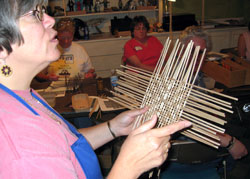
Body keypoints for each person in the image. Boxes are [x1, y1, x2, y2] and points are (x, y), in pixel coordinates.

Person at [0, 0, 192, 178]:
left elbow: (65, 147)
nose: (50, 20)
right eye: (35, 14)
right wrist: (130, 165)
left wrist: (114, 128)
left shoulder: (23, 96)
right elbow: (38, 153)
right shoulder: (19, 146)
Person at [160, 26, 248, 179]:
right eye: (191, 51)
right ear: (180, 52)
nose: (197, 57)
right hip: (189, 148)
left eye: (201, 52)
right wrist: (229, 142)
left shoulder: (195, 74)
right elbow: (191, 125)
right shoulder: (176, 80)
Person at [37, 17, 95, 81]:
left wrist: (89, 74)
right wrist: (47, 78)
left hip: (76, 85)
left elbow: (90, 70)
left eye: (69, 38)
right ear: (57, 35)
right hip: (54, 87)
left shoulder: (79, 49)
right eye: (62, 38)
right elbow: (37, 74)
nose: (66, 41)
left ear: (73, 35)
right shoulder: (49, 49)